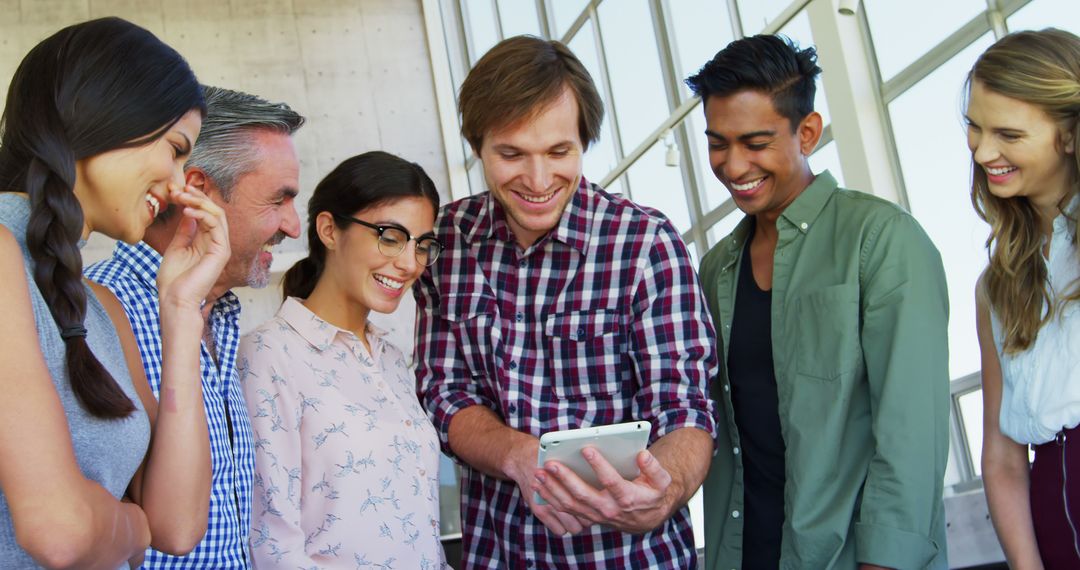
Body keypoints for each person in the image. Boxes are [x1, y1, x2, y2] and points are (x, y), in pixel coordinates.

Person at [415, 35, 717, 568]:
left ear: (584, 141)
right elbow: (444, 392)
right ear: (477, 145)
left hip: (633, 557)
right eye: (511, 154)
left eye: (559, 152)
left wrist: (662, 496)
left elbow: (685, 407)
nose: (537, 181)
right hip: (501, 553)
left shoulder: (644, 243)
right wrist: (517, 455)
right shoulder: (445, 242)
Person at [685, 35, 950, 569]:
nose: (733, 166)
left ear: (807, 132)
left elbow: (910, 437)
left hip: (849, 559)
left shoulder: (881, 240)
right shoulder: (715, 269)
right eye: (718, 143)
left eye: (755, 143)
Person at [0, 17, 229, 568]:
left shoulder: (98, 309)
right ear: (101, 113)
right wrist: (129, 525)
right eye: (175, 149)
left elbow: (175, 525)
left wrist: (179, 314)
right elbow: (59, 530)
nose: (178, 185)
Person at [85, 86, 305, 568]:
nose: (294, 225)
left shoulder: (224, 314)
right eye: (279, 200)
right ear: (199, 192)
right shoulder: (98, 313)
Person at [238, 151, 447, 569]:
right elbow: (272, 544)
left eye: (422, 244)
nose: (409, 263)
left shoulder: (389, 358)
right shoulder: (269, 355)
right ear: (330, 230)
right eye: (390, 236)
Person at [969, 28, 1080, 570]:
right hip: (1053, 524)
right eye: (974, 127)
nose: (984, 152)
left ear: (1069, 135)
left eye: (1007, 134)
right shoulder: (996, 287)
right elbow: (1004, 457)